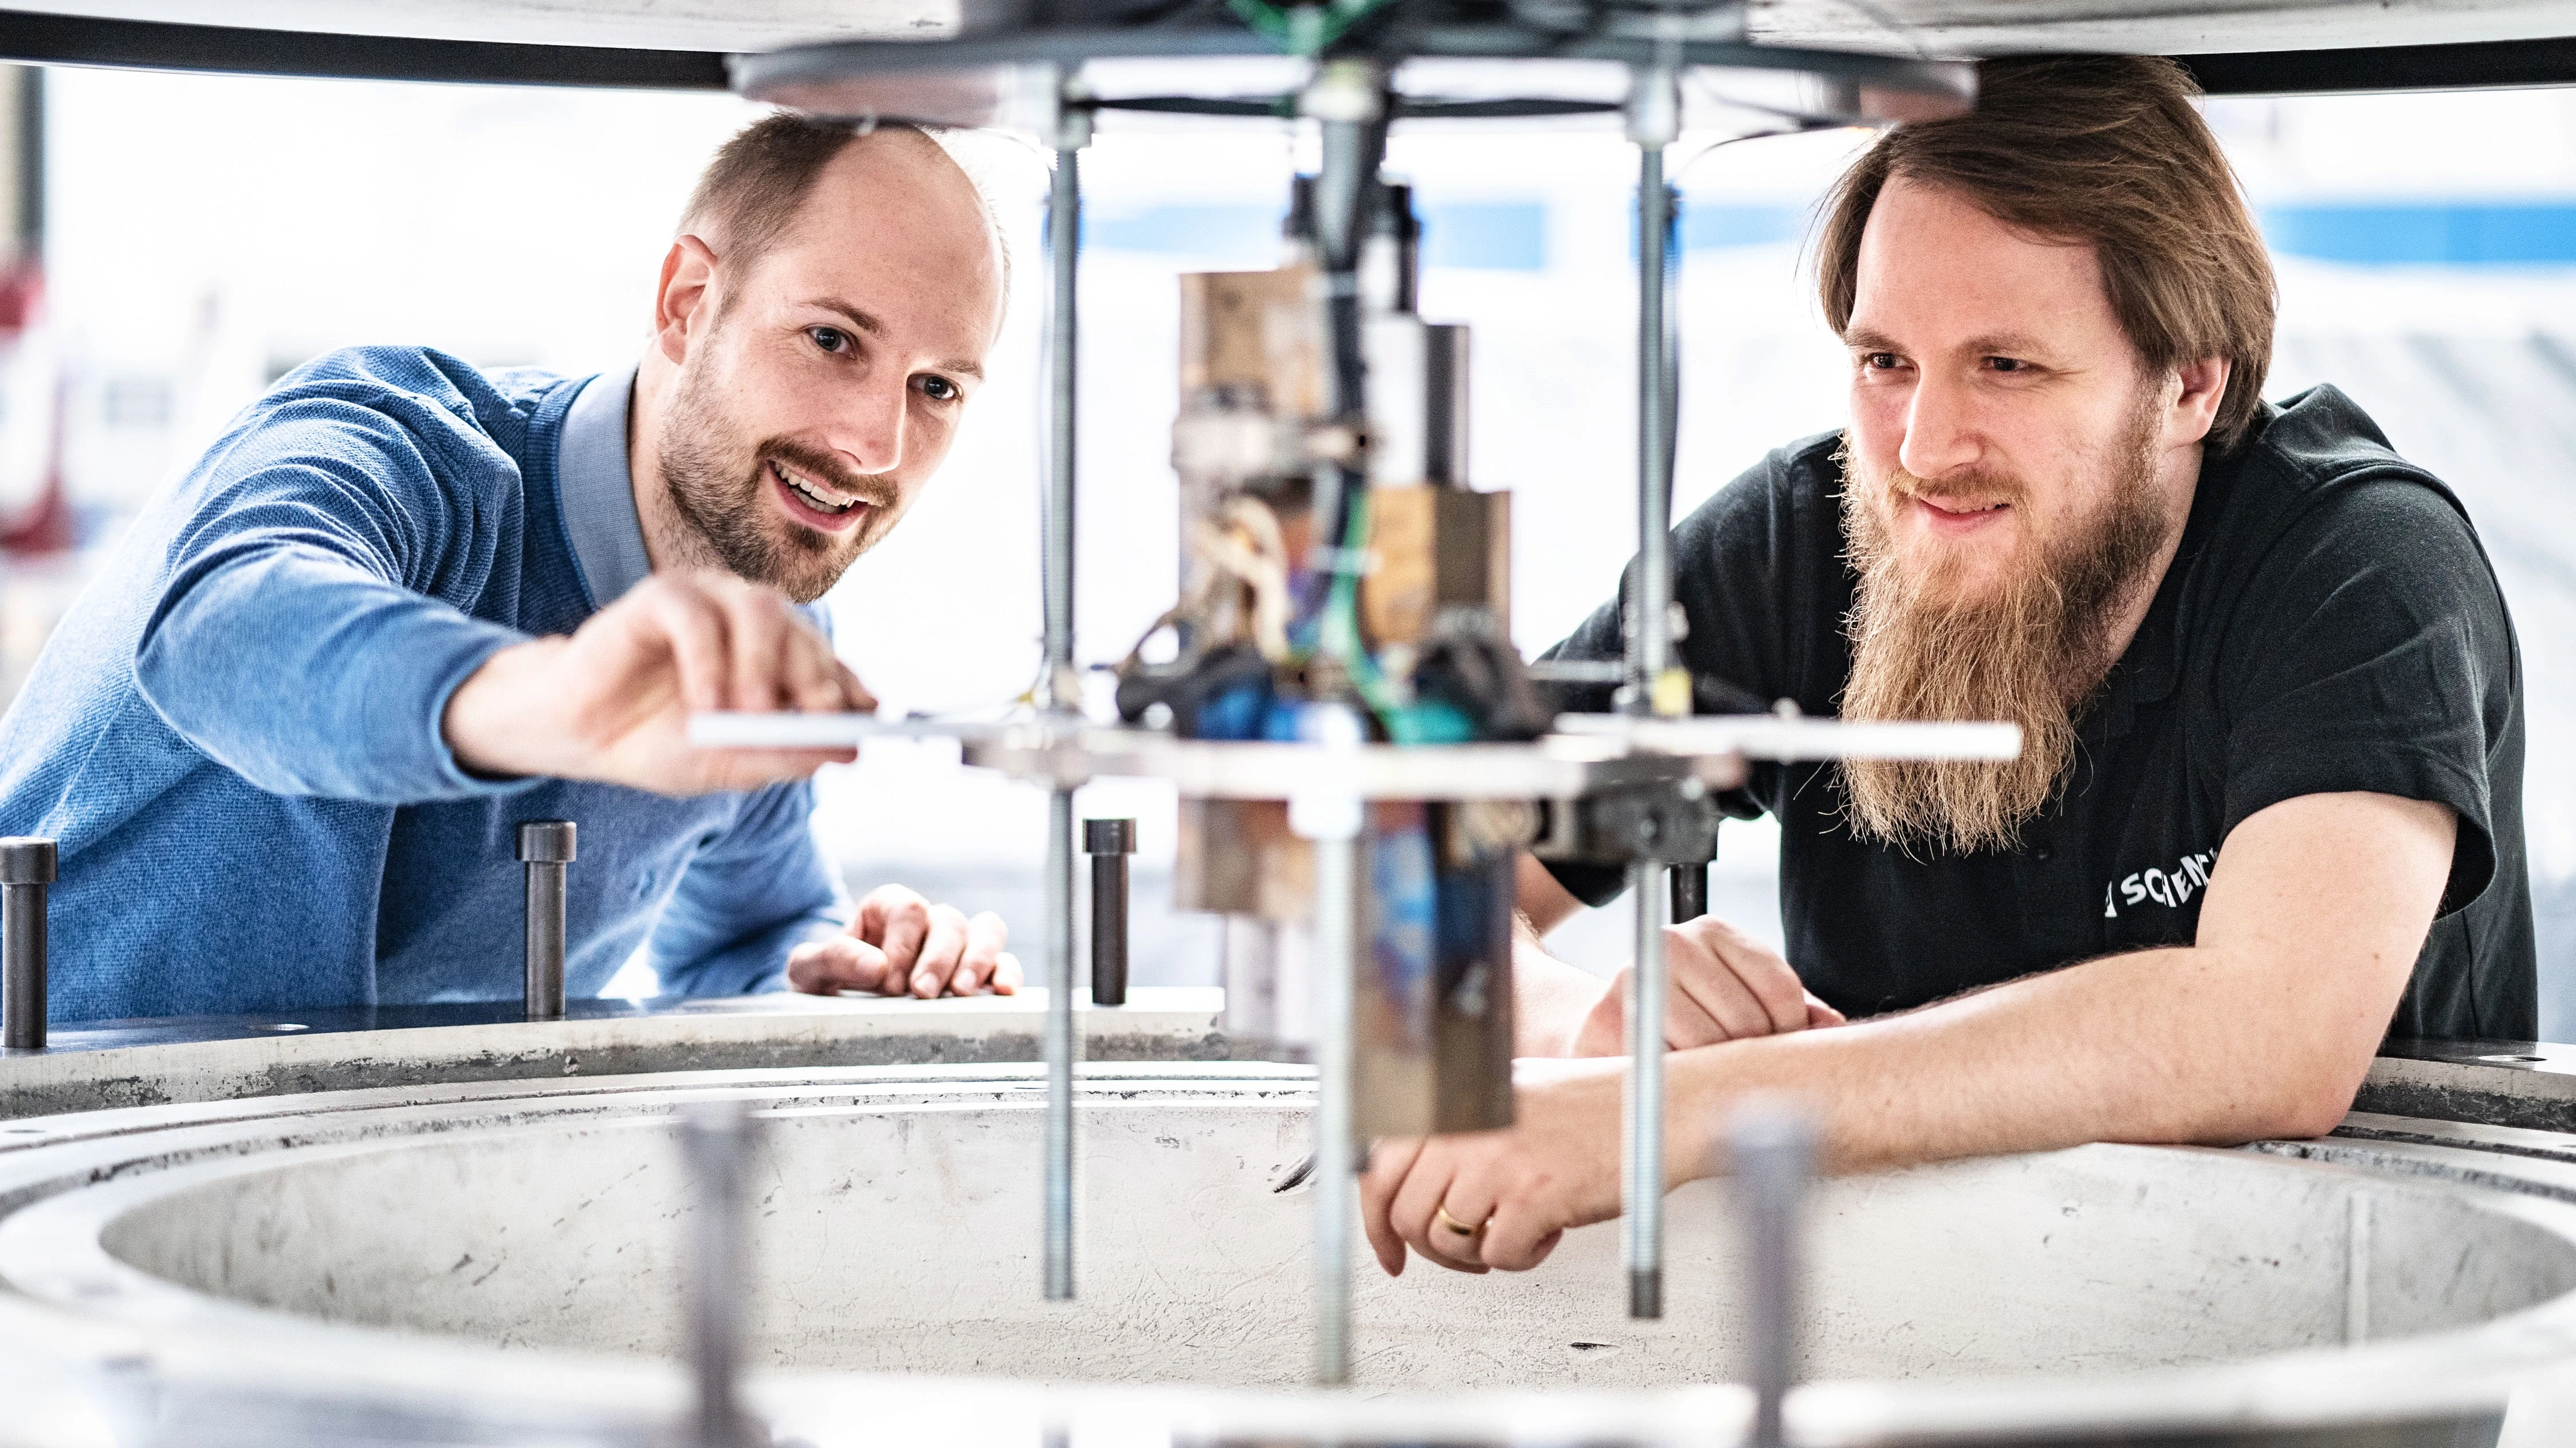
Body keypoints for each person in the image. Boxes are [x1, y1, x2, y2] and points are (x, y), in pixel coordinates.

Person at [1363, 55, 2532, 1278]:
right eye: (1885, 362)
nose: (1923, 448)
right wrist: (1584, 1033)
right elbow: (1403, 878)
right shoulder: (1797, 543)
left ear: (2190, 381)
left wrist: (1677, 1116)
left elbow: (2270, 1034)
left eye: (2006, 365)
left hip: (2298, 1315)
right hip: (1898, 1326)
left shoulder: (2357, 566)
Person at [0, 115, 1023, 1021]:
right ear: (686, 302)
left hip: (392, 1191)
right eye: (832, 339)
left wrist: (835, 979)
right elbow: (218, 633)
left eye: (936, 387)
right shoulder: (405, 451)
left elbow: (741, 936)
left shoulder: (757, 630)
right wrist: (559, 699)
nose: (876, 445)